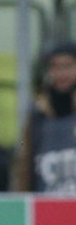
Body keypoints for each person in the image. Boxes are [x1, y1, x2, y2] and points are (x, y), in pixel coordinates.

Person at [15, 41, 76, 193]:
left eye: (68, 66)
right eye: (54, 67)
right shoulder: (37, 113)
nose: (61, 73)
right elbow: (25, 162)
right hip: (46, 206)